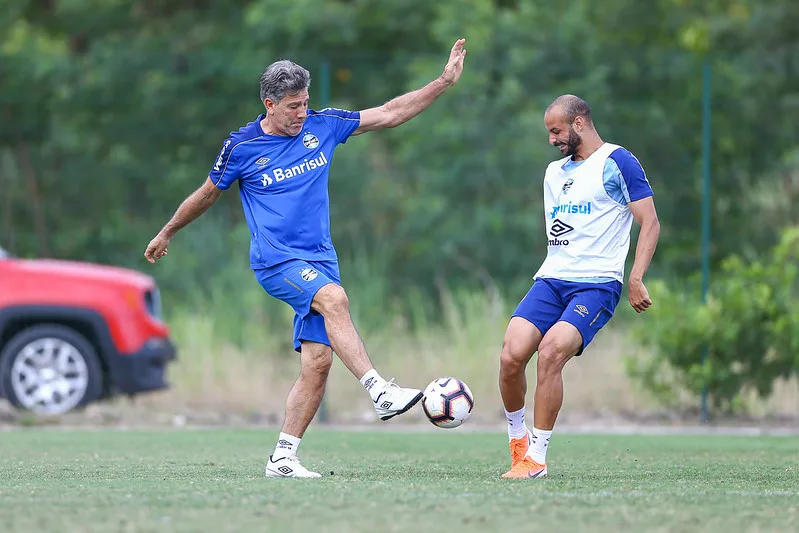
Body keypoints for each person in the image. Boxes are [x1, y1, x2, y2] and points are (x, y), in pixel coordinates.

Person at [144, 39, 467, 478]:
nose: (301, 113)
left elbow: (390, 113)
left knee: (317, 363)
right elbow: (206, 195)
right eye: (293, 106)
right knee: (334, 299)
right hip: (276, 262)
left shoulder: (324, 126)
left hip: (320, 259)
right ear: (269, 104)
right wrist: (167, 231)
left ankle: (283, 458)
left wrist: (443, 82)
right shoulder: (240, 147)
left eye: (305, 103)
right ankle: (379, 391)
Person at [498, 95, 660, 479]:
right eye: (549, 132)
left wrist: (635, 277)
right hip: (552, 280)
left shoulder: (618, 162)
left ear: (580, 123)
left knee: (551, 352)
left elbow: (650, 222)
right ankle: (517, 441)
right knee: (510, 356)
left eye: (556, 130)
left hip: (597, 285)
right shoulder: (554, 172)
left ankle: (536, 459)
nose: (552, 139)